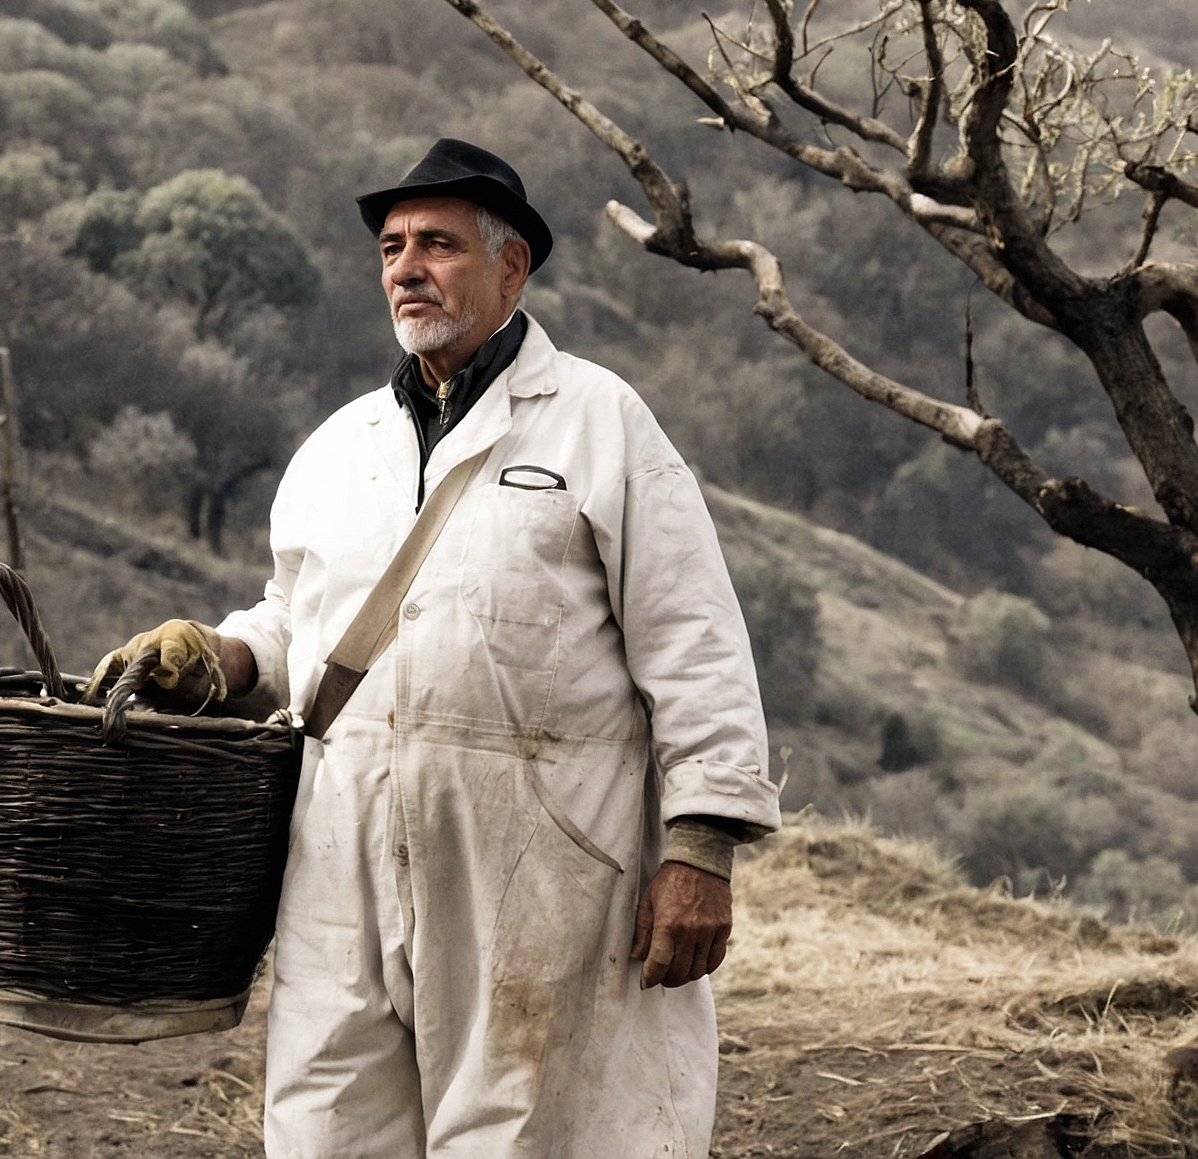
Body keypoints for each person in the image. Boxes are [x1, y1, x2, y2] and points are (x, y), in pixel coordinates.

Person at [118, 139, 780, 1157]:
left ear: (511, 269)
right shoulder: (338, 448)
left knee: (531, 1129)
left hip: (542, 859)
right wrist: (221, 654)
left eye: (438, 243)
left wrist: (700, 850)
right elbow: (304, 624)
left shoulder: (602, 425)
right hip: (341, 851)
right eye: (391, 247)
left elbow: (693, 640)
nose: (405, 267)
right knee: (331, 1126)